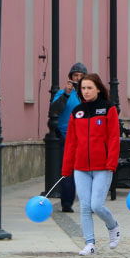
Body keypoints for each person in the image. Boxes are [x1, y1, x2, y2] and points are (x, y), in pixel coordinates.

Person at [61, 73, 120, 256]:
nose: (86, 91)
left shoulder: (108, 108)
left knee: (96, 205)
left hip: (102, 166)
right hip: (81, 167)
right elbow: (71, 142)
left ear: (98, 89)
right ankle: (90, 243)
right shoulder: (77, 112)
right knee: (85, 206)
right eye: (83, 88)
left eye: (89, 88)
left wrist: (111, 162)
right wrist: (66, 168)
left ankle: (113, 226)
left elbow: (113, 138)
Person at [50, 62, 87, 212]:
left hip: (86, 137)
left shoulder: (88, 93)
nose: (77, 79)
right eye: (75, 76)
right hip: (67, 137)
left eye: (81, 76)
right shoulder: (63, 93)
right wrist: (66, 93)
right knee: (68, 170)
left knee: (86, 170)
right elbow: (54, 110)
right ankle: (66, 203)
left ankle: (88, 202)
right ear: (70, 78)